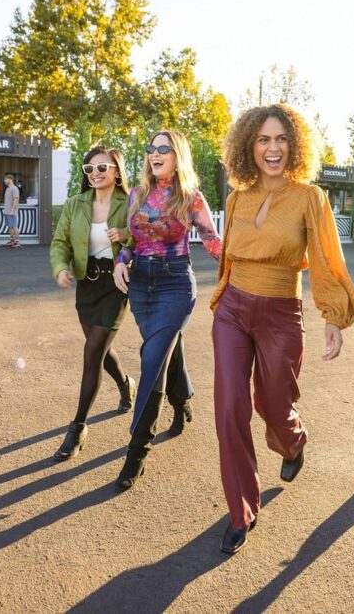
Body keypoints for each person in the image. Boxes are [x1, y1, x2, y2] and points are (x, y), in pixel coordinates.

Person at [211, 104, 354, 555]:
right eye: (262, 140)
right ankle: (242, 510)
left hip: (280, 311)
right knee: (230, 406)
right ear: (248, 147)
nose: (272, 148)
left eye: (280, 140)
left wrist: (333, 316)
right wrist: (221, 298)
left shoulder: (309, 197)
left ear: (293, 146)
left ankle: (292, 442)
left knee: (273, 402)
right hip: (233, 310)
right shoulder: (237, 198)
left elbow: (326, 258)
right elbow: (229, 259)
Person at [111, 129, 222, 491]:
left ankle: (137, 450)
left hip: (175, 284)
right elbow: (131, 241)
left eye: (163, 148)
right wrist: (120, 262)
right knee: (165, 351)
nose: (154, 153)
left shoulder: (190, 197)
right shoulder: (137, 193)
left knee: (152, 360)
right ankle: (183, 399)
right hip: (141, 286)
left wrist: (250, 267)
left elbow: (212, 241)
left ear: (178, 155)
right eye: (151, 148)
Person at [49, 147, 136, 460]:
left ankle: (77, 427)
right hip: (87, 285)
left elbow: (140, 242)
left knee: (91, 353)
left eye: (102, 167)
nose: (95, 173)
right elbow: (60, 242)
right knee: (99, 348)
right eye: (89, 168)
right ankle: (126, 383)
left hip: (116, 285)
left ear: (116, 170)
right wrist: (60, 267)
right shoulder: (75, 205)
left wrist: (124, 237)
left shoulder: (129, 204)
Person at [2, 174, 21, 247]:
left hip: (11, 211)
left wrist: (12, 210)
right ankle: (12, 241)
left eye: (5, 179)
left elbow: (16, 200)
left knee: (14, 226)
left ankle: (17, 241)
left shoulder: (14, 189)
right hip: (7, 211)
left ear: (10, 179)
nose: (4, 181)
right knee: (10, 226)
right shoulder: (7, 189)